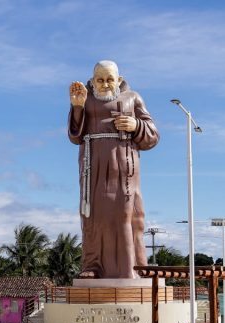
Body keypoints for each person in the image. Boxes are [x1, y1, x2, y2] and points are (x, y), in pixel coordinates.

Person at [68, 60, 160, 279]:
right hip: (93, 167)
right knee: (93, 215)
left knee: (126, 214)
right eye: (100, 80)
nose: (105, 84)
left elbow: (153, 136)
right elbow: (75, 136)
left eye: (110, 79)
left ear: (119, 80)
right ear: (92, 81)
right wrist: (78, 107)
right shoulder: (85, 99)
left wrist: (135, 125)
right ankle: (93, 266)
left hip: (124, 167)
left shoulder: (133, 98)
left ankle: (132, 268)